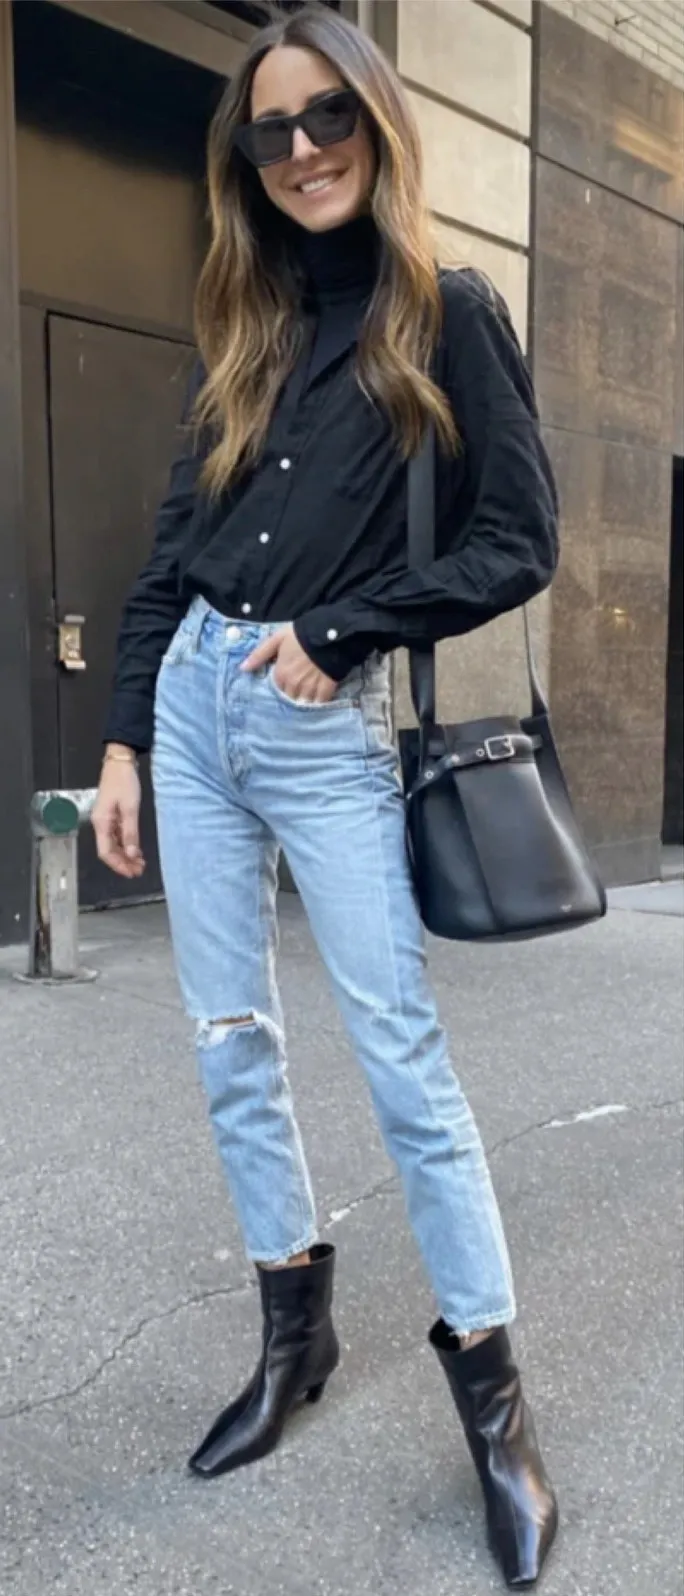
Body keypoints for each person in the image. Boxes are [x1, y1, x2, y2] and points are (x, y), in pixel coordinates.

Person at [93, 5, 560, 1587]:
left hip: (322, 722)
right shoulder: (246, 327)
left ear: (375, 121)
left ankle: (496, 1409)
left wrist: (346, 627)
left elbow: (520, 541)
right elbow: (169, 553)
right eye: (270, 130)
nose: (300, 151)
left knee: (404, 1062)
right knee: (233, 1046)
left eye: (326, 119)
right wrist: (123, 740)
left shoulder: (448, 312)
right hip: (195, 712)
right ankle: (295, 1338)